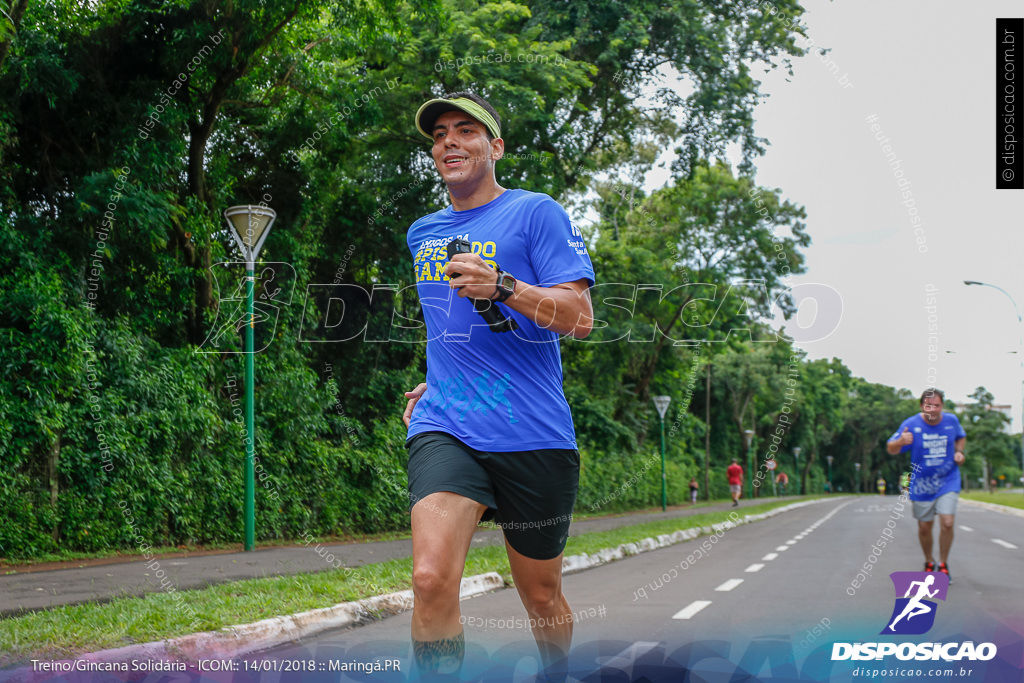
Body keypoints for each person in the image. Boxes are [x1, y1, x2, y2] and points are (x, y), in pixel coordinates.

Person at [401, 92, 595, 678]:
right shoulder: (422, 233)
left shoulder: (536, 213)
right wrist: (433, 381)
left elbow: (580, 319)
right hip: (448, 424)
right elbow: (448, 326)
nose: (449, 142)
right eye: (439, 135)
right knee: (430, 579)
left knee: (540, 596)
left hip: (532, 431)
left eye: (465, 130)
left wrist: (504, 286)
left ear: (495, 147)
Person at [886, 388, 966, 583]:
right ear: (922, 406)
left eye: (937, 405)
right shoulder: (911, 424)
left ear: (942, 406)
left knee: (947, 522)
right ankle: (929, 561)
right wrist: (900, 441)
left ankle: (943, 565)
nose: (933, 409)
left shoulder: (951, 421)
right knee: (924, 527)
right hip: (922, 484)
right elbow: (890, 449)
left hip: (948, 480)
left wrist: (959, 452)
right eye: (928, 405)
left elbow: (960, 437)